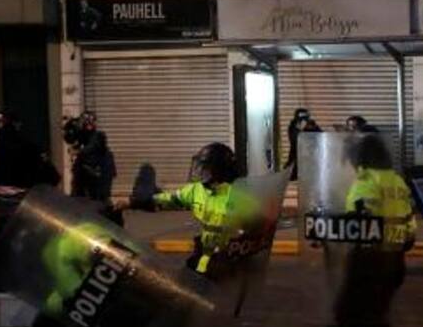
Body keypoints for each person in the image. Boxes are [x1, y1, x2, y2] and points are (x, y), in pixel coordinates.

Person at [313, 134, 416, 327]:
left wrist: (325, 226)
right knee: (376, 318)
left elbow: (360, 225)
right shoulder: (397, 183)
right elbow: (409, 232)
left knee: (340, 320)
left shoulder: (365, 183)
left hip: (368, 262)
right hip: (394, 261)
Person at [113, 142, 259, 277]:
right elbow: (168, 200)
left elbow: (258, 226)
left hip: (228, 257)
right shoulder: (197, 190)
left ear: (219, 170)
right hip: (203, 253)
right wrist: (132, 203)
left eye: (206, 169)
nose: (201, 172)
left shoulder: (239, 196)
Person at [63, 113, 117, 203]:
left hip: (100, 169)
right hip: (87, 169)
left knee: (100, 197)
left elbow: (92, 147)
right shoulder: (83, 136)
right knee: (78, 191)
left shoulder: (98, 136)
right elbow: (71, 139)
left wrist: (78, 151)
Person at [286, 108, 312, 181]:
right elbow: (295, 141)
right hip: (296, 160)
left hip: (306, 161)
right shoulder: (293, 128)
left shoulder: (310, 126)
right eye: (303, 120)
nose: (305, 122)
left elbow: (318, 134)